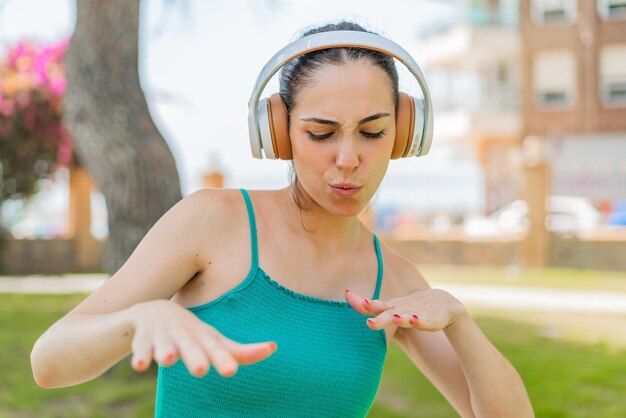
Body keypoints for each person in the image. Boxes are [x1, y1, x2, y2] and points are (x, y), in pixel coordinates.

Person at [31, 21, 534, 417]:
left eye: (372, 132)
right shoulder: (212, 223)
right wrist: (138, 320)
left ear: (404, 136)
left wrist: (459, 320)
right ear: (279, 132)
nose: (347, 159)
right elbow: (49, 363)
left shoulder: (395, 283)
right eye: (321, 133)